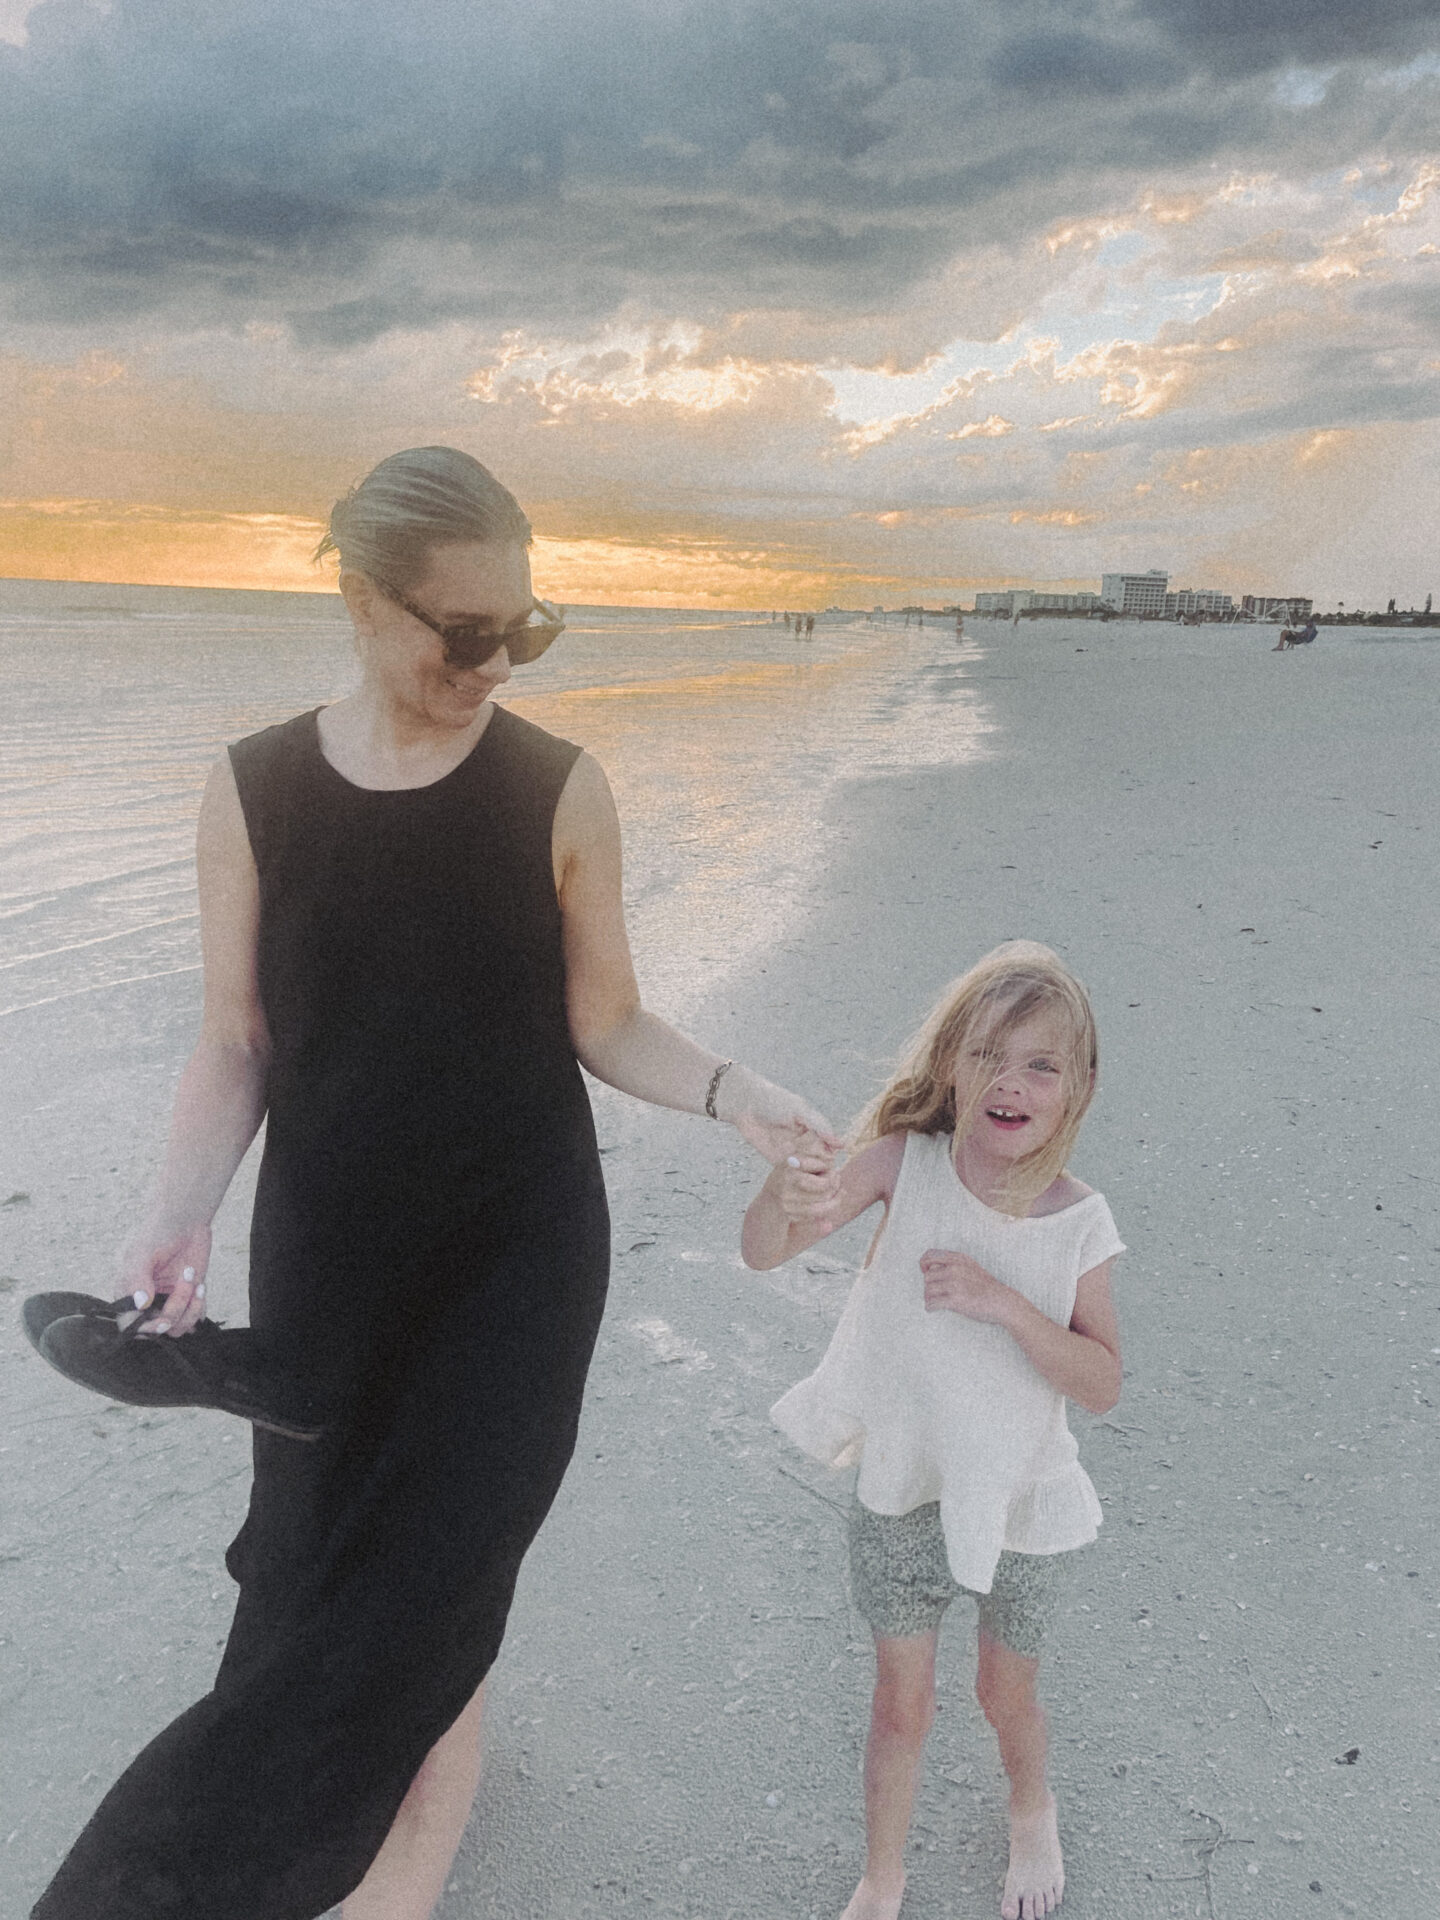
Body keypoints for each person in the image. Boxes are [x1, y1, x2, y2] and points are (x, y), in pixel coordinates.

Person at [29, 446, 838, 1920]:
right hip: (328, 1255)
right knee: (314, 1578)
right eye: (462, 632)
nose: (493, 663)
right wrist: (175, 1213)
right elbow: (235, 1040)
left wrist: (734, 1093)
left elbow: (607, 1021)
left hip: (513, 1261)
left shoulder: (557, 789)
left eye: (523, 632)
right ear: (358, 600)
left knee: (431, 1589)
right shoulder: (253, 790)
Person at [742, 943, 1124, 1920]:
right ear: (952, 1065)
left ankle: (1031, 1807)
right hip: (901, 1490)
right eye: (989, 1055)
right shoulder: (904, 1167)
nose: (1011, 1082)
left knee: (1007, 1695)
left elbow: (1103, 1382)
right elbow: (764, 1250)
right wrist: (777, 1200)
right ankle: (884, 1874)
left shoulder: (1079, 1226)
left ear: (1079, 1086)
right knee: (899, 1706)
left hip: (1019, 1498)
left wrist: (1007, 1304)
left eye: (1041, 1064)